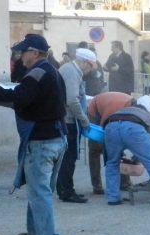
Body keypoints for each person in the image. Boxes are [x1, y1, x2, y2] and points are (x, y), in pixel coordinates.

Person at [0, 33, 67, 235]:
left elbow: (16, 97)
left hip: (42, 141)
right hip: (56, 137)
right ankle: (36, 232)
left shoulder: (37, 74)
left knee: (40, 192)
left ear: (34, 52)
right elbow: (21, 100)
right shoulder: (51, 72)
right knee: (40, 190)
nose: (20, 56)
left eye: (23, 51)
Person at [102, 95, 150, 210]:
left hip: (111, 126)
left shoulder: (125, 110)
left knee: (112, 163)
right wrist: (138, 158)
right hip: (133, 128)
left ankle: (113, 198)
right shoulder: (147, 116)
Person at [55, 47, 96, 203]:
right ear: (85, 62)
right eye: (91, 66)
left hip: (66, 118)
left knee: (68, 156)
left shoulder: (71, 69)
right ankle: (66, 191)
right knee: (69, 156)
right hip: (68, 120)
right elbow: (72, 99)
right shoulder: (72, 72)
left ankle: (66, 188)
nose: (90, 70)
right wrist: (84, 120)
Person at [86, 91, 134, 194]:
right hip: (95, 112)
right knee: (96, 149)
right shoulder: (115, 109)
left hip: (107, 107)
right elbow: (106, 129)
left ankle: (124, 182)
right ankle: (97, 186)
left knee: (116, 148)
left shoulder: (133, 110)